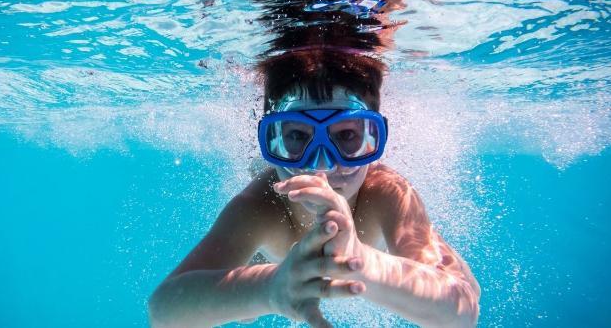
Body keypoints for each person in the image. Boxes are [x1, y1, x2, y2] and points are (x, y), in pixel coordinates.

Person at [148, 48, 481, 327]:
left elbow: (463, 308)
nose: (321, 165)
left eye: (347, 136)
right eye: (296, 136)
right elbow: (163, 310)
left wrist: (359, 261)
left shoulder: (387, 192)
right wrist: (267, 288)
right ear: (269, 139)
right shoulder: (262, 204)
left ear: (375, 140)